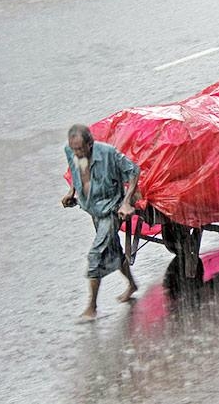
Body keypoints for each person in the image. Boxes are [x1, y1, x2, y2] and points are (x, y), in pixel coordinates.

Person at [62, 124, 140, 320]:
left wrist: (126, 202)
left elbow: (133, 171)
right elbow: (75, 172)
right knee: (114, 250)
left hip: (110, 209)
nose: (77, 153)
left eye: (80, 149)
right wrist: (72, 192)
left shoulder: (108, 154)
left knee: (96, 255)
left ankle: (92, 307)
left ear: (90, 144)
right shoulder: (71, 152)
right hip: (93, 208)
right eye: (74, 149)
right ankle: (132, 285)